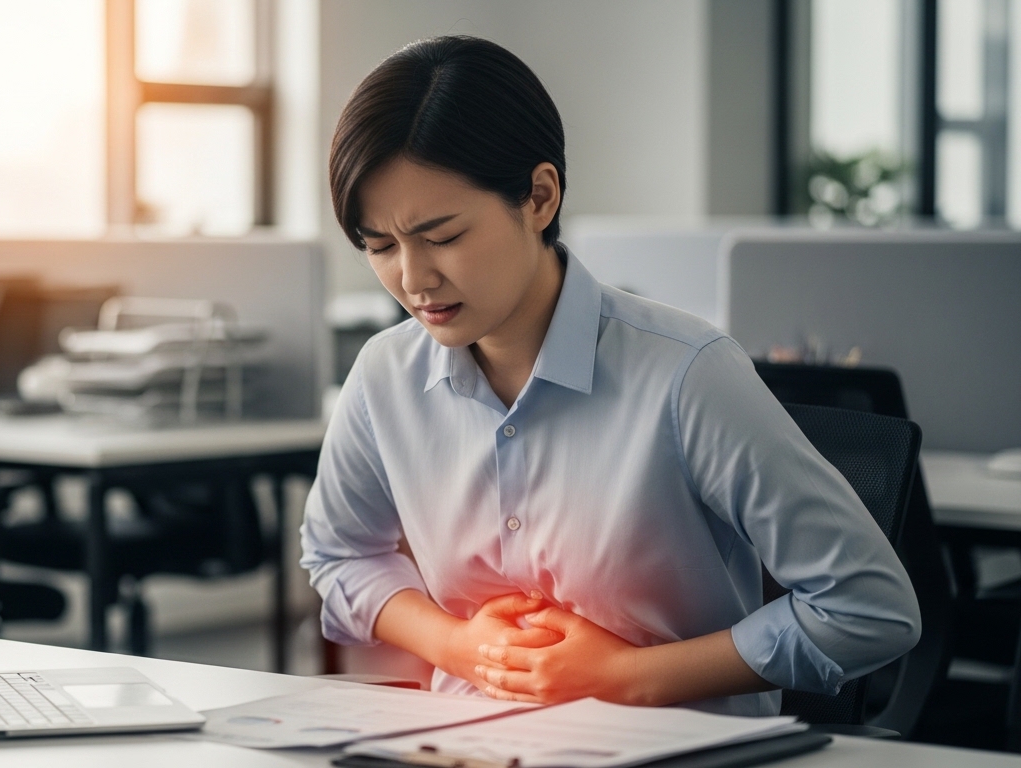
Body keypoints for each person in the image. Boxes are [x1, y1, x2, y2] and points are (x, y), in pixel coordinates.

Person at [300, 35, 920, 716]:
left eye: (442, 236)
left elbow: (870, 610)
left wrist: (626, 674)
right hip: (470, 740)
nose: (412, 280)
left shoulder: (686, 374)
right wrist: (460, 647)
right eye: (379, 246)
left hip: (673, 749)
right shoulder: (385, 376)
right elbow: (339, 554)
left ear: (539, 197)